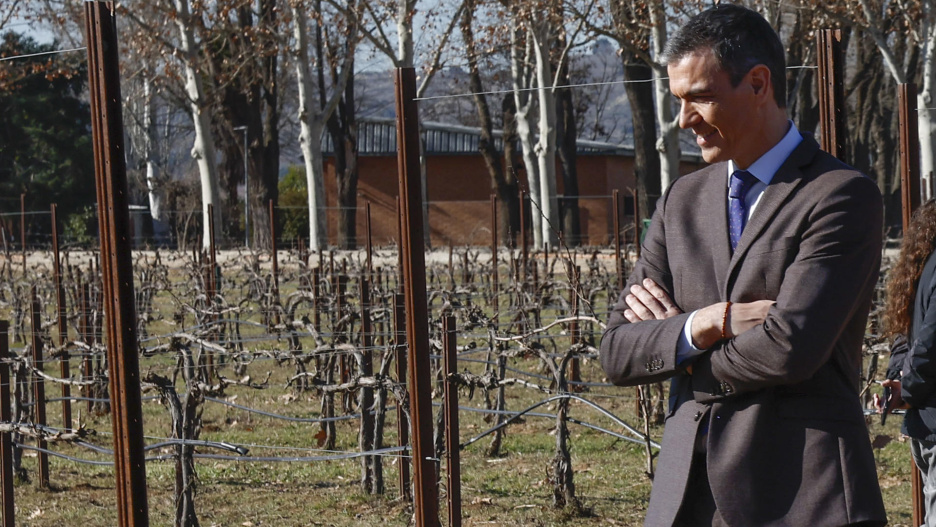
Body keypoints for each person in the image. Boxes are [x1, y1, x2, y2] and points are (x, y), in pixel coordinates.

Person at [599, 4, 887, 526]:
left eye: (701, 98)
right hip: (686, 498)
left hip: (805, 495)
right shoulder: (680, 201)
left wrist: (678, 354)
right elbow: (617, 351)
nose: (684, 119)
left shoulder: (840, 196)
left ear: (758, 84)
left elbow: (788, 349)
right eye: (679, 100)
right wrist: (707, 323)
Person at [882, 200, 936, 526]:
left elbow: (902, 337)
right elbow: (930, 343)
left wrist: (899, 384)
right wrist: (909, 386)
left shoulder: (918, 268)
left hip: (922, 423)